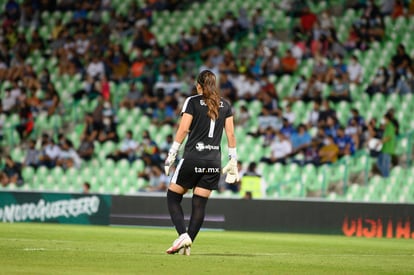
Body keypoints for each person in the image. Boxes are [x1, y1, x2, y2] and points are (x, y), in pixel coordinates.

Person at [163, 70, 238, 255]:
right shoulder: (225, 105)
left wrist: (172, 153)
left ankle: (183, 235)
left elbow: (183, 129)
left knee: (173, 197)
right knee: (199, 204)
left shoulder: (193, 101)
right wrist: (233, 160)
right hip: (214, 162)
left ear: (199, 85)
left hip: (192, 158)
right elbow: (231, 135)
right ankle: (188, 241)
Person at [377, 113, 396, 177]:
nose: (383, 120)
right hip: (383, 149)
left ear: (387, 119)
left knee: (385, 165)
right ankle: (386, 176)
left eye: (384, 118)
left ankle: (386, 178)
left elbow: (389, 137)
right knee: (379, 163)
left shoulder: (390, 126)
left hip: (388, 149)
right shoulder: (386, 127)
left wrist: (380, 142)